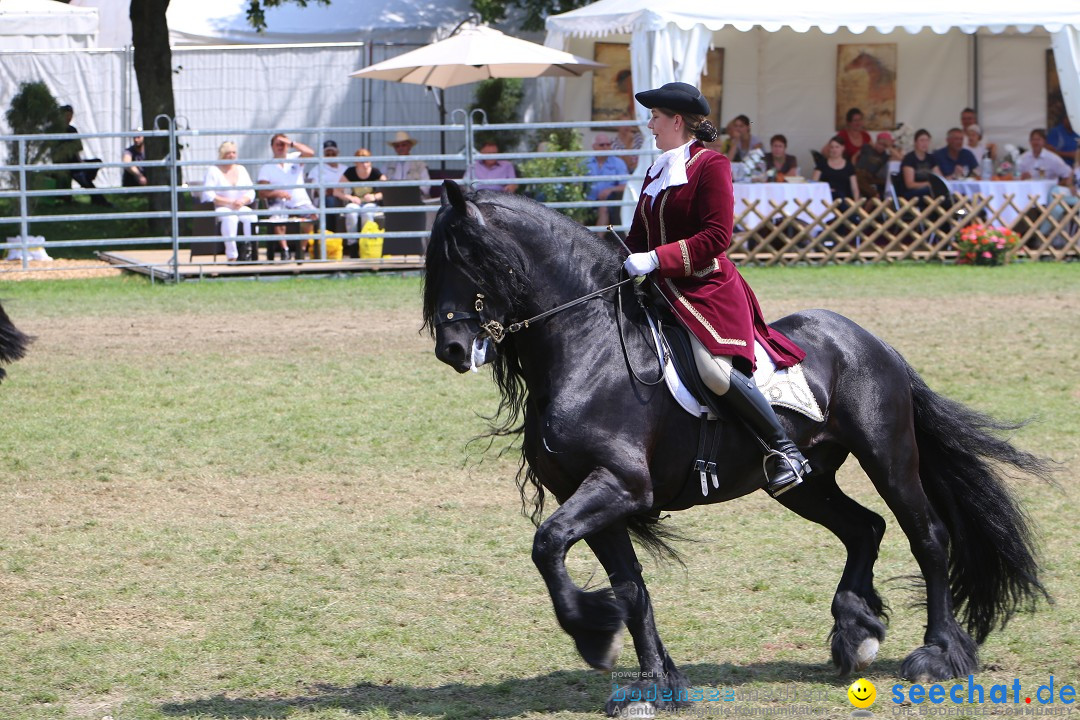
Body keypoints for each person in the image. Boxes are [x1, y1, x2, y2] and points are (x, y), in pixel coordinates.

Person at [621, 81, 810, 497]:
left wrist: (657, 259)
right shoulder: (656, 171)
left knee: (713, 370)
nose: (649, 124)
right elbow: (637, 236)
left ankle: (783, 450)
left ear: (676, 121)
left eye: (655, 117)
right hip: (659, 291)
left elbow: (716, 236)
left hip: (705, 288)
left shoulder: (712, 165)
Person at [257, 133, 317, 261]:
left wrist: (292, 143)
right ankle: (285, 250)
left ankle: (301, 250)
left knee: (313, 216)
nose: (281, 147)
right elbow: (262, 192)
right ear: (272, 147)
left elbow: (311, 153)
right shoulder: (267, 167)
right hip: (279, 201)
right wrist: (276, 193)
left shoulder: (295, 158)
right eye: (277, 144)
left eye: (283, 144)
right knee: (276, 219)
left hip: (300, 201)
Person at [201, 140, 257, 262]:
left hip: (239, 205)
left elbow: (251, 192)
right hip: (221, 207)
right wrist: (229, 202)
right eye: (228, 153)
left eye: (233, 152)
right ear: (222, 155)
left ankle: (248, 250)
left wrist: (242, 200)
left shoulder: (241, 169)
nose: (231, 155)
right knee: (230, 218)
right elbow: (208, 194)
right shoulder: (213, 171)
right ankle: (232, 255)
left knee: (251, 217)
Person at [54, 104, 110, 207]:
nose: (69, 117)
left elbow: (78, 149)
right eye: (67, 115)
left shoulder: (72, 130)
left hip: (75, 163)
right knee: (84, 178)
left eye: (71, 115)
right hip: (69, 166)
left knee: (96, 162)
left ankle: (96, 195)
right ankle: (99, 200)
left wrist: (80, 162)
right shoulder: (56, 130)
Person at [335, 148, 386, 257]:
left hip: (370, 203)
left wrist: (374, 196)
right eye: (362, 161)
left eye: (367, 161)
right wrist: (350, 197)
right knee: (351, 211)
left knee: (367, 213)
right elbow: (336, 191)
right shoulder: (350, 172)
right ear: (356, 162)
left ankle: (366, 242)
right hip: (356, 203)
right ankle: (353, 245)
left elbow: (388, 190)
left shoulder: (375, 172)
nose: (365, 164)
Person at [585, 132, 628, 228]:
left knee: (603, 209)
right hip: (587, 199)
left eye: (608, 144)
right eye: (602, 145)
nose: (605, 147)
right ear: (594, 146)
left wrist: (610, 190)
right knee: (577, 210)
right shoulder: (585, 163)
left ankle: (596, 241)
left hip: (608, 200)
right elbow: (576, 182)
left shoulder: (618, 163)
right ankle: (578, 241)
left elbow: (625, 185)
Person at [306, 139, 348, 228]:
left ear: (338, 153)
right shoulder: (317, 169)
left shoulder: (345, 169)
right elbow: (313, 190)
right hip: (325, 200)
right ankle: (329, 233)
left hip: (345, 198)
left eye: (333, 154)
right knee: (329, 200)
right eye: (327, 154)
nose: (330, 156)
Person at [813, 136, 859, 202]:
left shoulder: (849, 166)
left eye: (837, 147)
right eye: (832, 147)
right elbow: (814, 183)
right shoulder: (822, 164)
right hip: (827, 199)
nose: (834, 150)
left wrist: (856, 202)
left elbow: (854, 188)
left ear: (843, 148)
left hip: (844, 199)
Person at [853, 131, 897, 199]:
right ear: (876, 142)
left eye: (884, 145)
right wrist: (853, 167)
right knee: (859, 178)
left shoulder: (885, 156)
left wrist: (889, 146)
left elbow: (901, 158)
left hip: (871, 176)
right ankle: (873, 195)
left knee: (889, 182)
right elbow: (854, 157)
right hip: (860, 172)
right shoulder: (867, 147)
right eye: (879, 144)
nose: (881, 147)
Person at [899, 129, 939, 199]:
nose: (925, 143)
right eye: (922, 140)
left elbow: (939, 176)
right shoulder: (909, 159)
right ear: (915, 142)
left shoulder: (931, 158)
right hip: (912, 193)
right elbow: (909, 184)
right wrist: (928, 184)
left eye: (927, 140)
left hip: (929, 190)